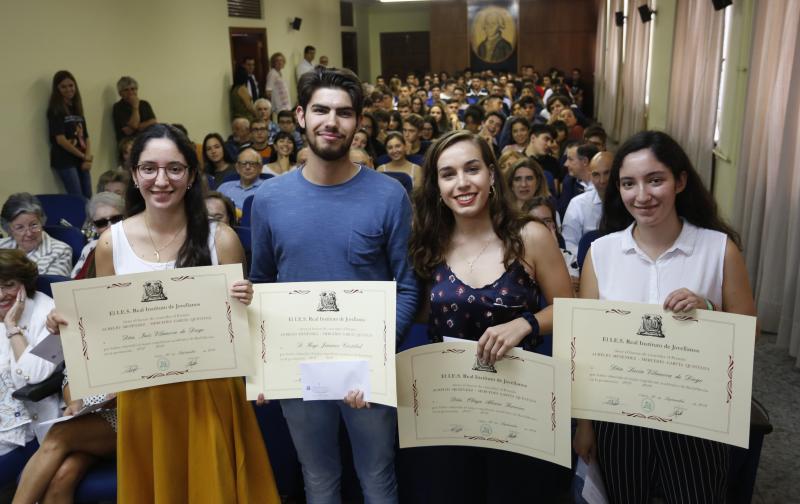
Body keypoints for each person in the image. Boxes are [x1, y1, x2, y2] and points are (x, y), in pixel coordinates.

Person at [46, 124, 280, 503]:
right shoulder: (110, 243)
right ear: (135, 175)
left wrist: (249, 304)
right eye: (149, 168)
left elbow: (243, 333)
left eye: (174, 168)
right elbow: (107, 331)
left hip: (210, 397)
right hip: (143, 400)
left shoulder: (221, 239)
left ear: (190, 176)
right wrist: (67, 325)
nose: (161, 179)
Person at [250, 67, 418, 503]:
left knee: (378, 477)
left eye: (344, 113)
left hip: (369, 369)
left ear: (359, 122)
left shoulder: (389, 195)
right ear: (301, 116)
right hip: (297, 368)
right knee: (319, 479)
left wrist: (377, 356)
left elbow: (408, 286)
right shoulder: (268, 199)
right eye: (321, 110)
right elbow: (262, 282)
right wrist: (263, 361)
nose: (332, 121)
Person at [573, 130, 757, 504]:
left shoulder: (718, 249)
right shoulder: (602, 253)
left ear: (680, 181)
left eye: (655, 180)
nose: (641, 195)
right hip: (619, 418)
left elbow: (749, 337)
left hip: (696, 418)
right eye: (628, 183)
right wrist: (585, 424)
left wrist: (708, 311)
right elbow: (588, 350)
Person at [406, 130, 573, 503]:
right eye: (448, 174)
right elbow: (410, 314)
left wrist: (526, 322)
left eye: (472, 169)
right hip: (448, 408)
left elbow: (569, 310)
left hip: (518, 407)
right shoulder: (427, 243)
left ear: (493, 175)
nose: (462, 183)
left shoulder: (529, 235)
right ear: (436, 186)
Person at [0, 250, 60, 458]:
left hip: (26, 431)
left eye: (9, 285)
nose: (1, 295)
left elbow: (33, 375)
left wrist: (11, 326)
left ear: (24, 283)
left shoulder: (53, 314)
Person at [0, 194, 72, 276]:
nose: (29, 233)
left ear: (41, 221)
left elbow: (52, 287)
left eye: (33, 225)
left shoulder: (61, 251)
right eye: (20, 227)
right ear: (9, 229)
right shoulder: (1, 245)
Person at [47, 70, 93, 198]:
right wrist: (83, 156)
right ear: (57, 89)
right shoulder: (55, 110)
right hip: (65, 160)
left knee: (89, 196)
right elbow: (60, 140)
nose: (68, 89)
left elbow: (86, 136)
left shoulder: (77, 108)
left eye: (71, 85)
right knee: (77, 197)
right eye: (63, 86)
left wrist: (87, 157)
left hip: (82, 158)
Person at [561, 151, 612, 258]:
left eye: (607, 173)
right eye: (596, 175)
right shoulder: (578, 204)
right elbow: (569, 243)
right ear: (590, 176)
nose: (602, 180)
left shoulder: (631, 201)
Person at [525, 196, 579, 283]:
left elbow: (571, 293)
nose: (542, 226)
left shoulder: (568, 257)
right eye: (535, 221)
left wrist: (553, 252)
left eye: (547, 220)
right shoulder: (515, 257)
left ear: (554, 225)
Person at [71, 191, 125, 279]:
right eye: (101, 222)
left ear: (126, 216)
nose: (110, 226)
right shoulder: (90, 248)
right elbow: (76, 283)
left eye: (116, 219)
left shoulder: (140, 244)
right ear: (94, 226)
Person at [558, 143, 599, 218]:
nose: (565, 164)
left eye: (570, 159)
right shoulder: (569, 183)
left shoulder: (603, 185)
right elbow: (563, 214)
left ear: (585, 161)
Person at [112, 76, 157, 142]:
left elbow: (154, 122)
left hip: (147, 140)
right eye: (126, 90)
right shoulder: (118, 107)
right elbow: (132, 127)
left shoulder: (144, 104)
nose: (130, 92)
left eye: (133, 89)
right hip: (128, 143)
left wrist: (136, 128)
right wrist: (135, 107)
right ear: (120, 93)